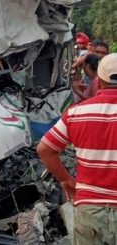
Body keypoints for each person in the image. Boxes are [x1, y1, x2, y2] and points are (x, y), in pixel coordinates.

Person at [37, 53, 117, 245]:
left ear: (100, 80)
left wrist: (66, 179)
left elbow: (44, 149)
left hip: (90, 210)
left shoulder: (76, 112)